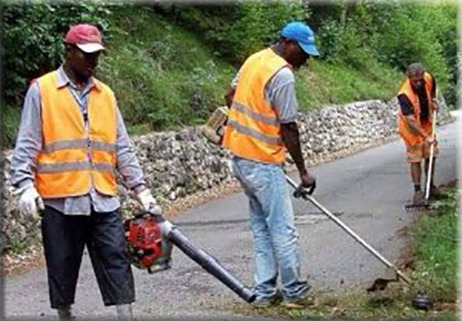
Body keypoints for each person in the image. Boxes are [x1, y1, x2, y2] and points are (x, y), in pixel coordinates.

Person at [9, 24, 161, 321]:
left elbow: (122, 147)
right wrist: (25, 186)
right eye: (86, 55)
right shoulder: (42, 90)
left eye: (97, 56)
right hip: (60, 200)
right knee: (62, 265)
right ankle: (65, 314)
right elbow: (26, 144)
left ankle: (125, 316)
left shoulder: (106, 95)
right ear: (68, 52)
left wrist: (141, 189)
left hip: (103, 197)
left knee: (117, 260)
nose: (93, 62)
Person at [222, 22, 318, 309]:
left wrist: (244, 125)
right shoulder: (282, 75)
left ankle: (264, 292)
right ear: (288, 43)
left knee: (262, 228)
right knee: (282, 229)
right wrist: (303, 171)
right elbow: (289, 127)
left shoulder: (255, 59)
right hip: (262, 161)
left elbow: (230, 96)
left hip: (240, 157)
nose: (306, 59)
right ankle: (294, 292)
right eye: (304, 51)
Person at [397, 63, 441, 204]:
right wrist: (425, 136)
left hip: (426, 123)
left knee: (431, 154)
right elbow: (410, 119)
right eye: (415, 81)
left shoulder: (428, 78)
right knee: (415, 158)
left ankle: (430, 186)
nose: (419, 83)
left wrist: (433, 100)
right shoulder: (404, 95)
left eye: (420, 79)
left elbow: (433, 86)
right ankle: (417, 192)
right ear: (409, 78)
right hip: (411, 130)